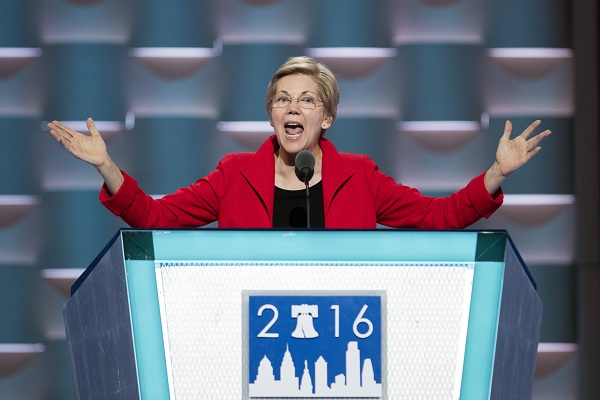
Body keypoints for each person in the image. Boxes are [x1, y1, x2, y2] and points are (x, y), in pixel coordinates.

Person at [47, 56, 550, 229]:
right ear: (270, 113)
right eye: (283, 99)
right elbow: (156, 218)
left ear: (326, 116)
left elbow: (438, 217)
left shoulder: (360, 175)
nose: (294, 108)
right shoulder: (234, 173)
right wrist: (107, 166)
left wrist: (496, 174)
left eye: (308, 100)